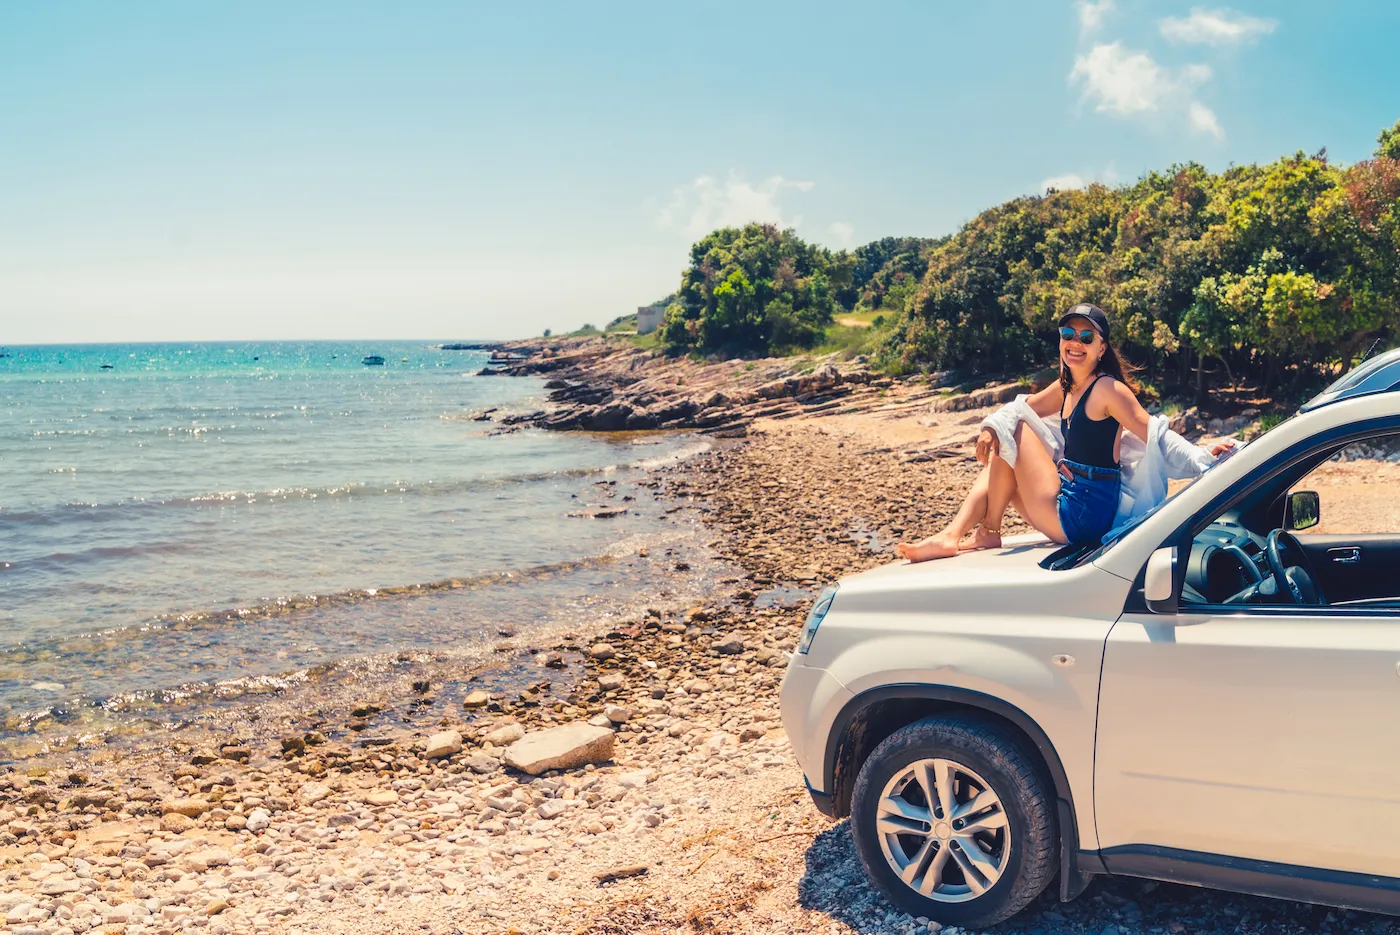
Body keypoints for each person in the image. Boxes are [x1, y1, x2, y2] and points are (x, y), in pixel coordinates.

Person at [895, 303, 1233, 562]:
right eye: (1068, 335)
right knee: (1004, 452)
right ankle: (962, 534)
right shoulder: (1068, 384)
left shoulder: (1107, 390)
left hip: (1083, 516)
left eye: (1087, 337)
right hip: (1072, 499)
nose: (1075, 343)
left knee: (1013, 431)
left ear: (1102, 348)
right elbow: (1021, 405)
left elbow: (1154, 433)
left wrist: (1200, 456)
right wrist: (988, 426)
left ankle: (984, 532)